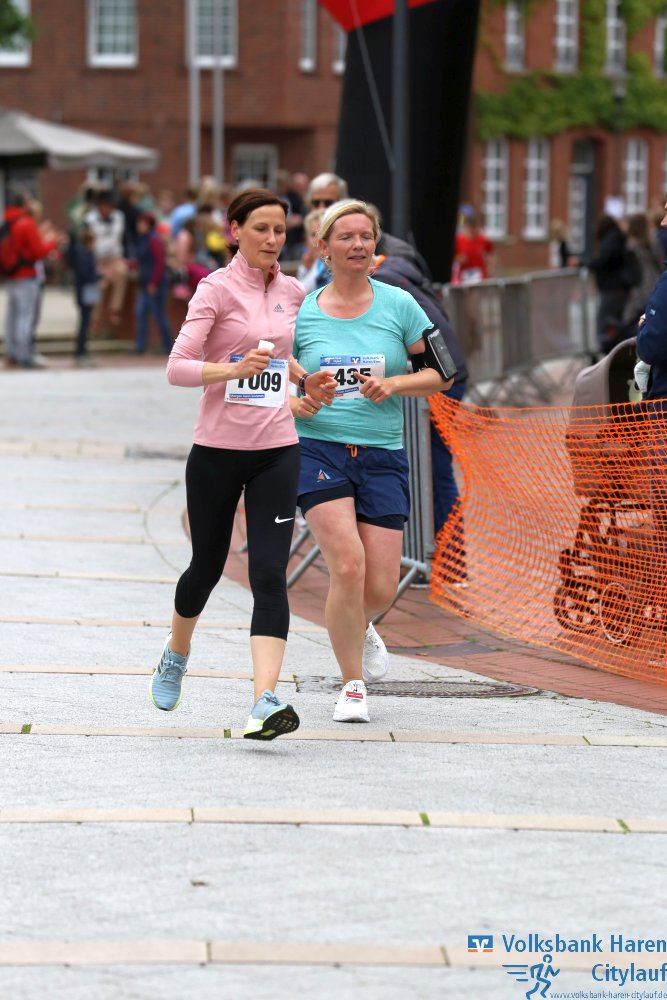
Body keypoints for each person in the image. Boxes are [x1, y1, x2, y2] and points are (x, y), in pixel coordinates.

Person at [152, 188, 335, 740]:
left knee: (269, 575)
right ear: (234, 230)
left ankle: (264, 701)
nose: (273, 239)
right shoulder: (215, 289)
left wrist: (305, 380)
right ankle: (176, 652)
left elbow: (280, 356)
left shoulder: (294, 290)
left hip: (277, 450)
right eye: (261, 229)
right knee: (206, 568)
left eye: (280, 230)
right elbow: (177, 367)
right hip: (216, 452)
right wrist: (232, 370)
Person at [291, 200, 452, 724]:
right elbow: (275, 371)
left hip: (382, 453)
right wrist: (302, 392)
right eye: (346, 236)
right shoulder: (303, 311)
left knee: (380, 585)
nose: (358, 245)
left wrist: (395, 383)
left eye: (366, 236)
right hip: (319, 448)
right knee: (347, 565)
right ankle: (352, 685)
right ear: (324, 247)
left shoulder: (400, 304)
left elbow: (444, 372)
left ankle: (358, 625)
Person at [371, 251, 469, 579]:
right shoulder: (402, 270)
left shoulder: (383, 284)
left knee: (434, 468)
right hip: (449, 370)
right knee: (431, 467)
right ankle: (444, 559)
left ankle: (450, 561)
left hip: (440, 378)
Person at [2, 191, 59, 368]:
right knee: (25, 316)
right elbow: (39, 251)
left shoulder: (7, 221)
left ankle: (11, 352)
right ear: (24, 204)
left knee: (11, 316)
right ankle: (24, 354)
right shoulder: (25, 223)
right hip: (26, 275)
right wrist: (53, 242)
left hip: (11, 275)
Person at [588, 212, 637, 355]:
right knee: (615, 322)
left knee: (606, 323)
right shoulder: (619, 238)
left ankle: (609, 353)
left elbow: (603, 261)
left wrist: (584, 263)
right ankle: (616, 352)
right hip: (619, 288)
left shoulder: (611, 240)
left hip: (613, 288)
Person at [84, 189, 128, 329]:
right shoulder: (90, 219)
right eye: (105, 205)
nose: (107, 209)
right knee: (99, 284)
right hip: (97, 259)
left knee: (122, 273)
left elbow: (117, 239)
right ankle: (94, 318)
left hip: (114, 258)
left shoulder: (118, 217)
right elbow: (89, 242)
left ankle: (114, 310)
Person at [132, 211, 173, 355]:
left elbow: (160, 263)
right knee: (141, 313)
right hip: (145, 284)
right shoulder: (142, 239)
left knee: (159, 315)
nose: (138, 225)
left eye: (141, 223)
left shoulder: (153, 240)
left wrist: (154, 282)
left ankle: (168, 346)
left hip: (155, 285)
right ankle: (140, 346)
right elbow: (141, 261)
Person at [69, 227, 102, 364]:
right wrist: (99, 275)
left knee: (86, 321)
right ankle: (80, 350)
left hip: (87, 291)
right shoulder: (83, 254)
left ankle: (82, 349)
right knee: (84, 321)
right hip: (84, 291)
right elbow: (85, 274)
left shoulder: (89, 253)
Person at [453, 205, 494, 284]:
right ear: (466, 227)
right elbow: (453, 257)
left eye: (474, 227)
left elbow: (491, 256)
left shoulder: (483, 240)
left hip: (480, 277)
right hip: (463, 278)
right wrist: (458, 259)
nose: (472, 230)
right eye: (470, 227)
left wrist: (490, 269)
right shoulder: (458, 240)